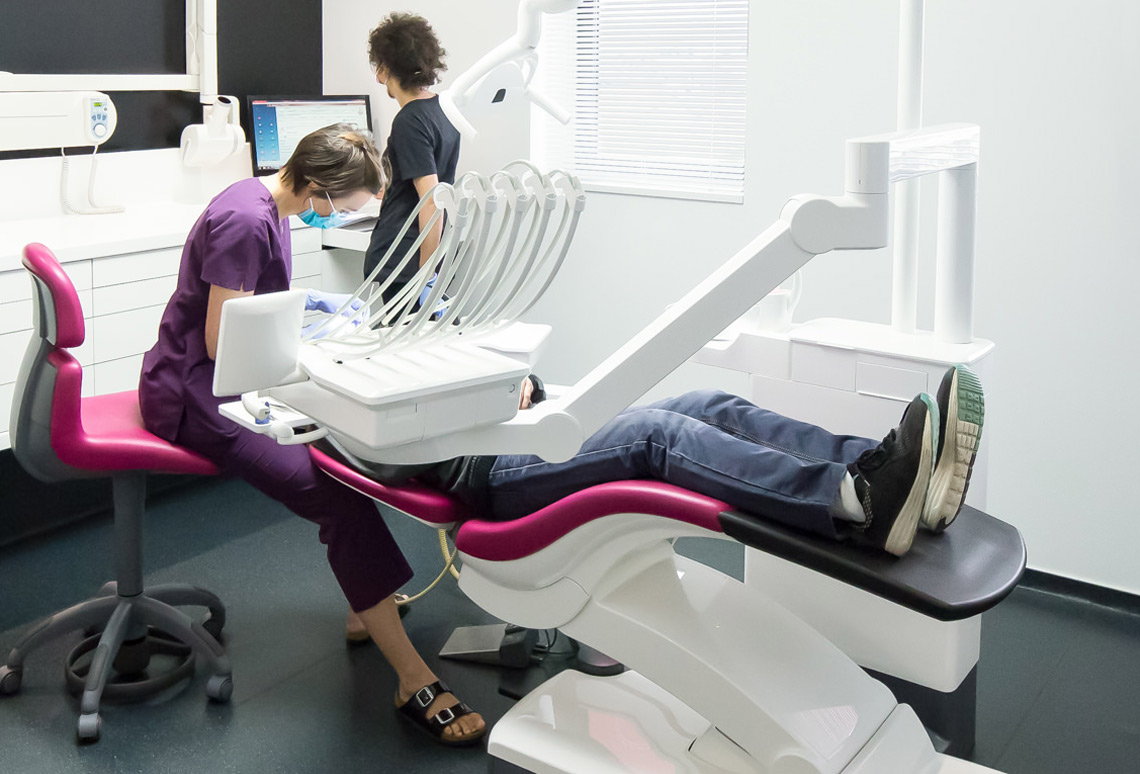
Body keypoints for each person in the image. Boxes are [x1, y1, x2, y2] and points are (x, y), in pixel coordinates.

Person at [138, 124, 486, 747]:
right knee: (335, 493)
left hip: (233, 376)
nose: (345, 214)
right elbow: (221, 343)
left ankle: (362, 606)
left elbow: (254, 306)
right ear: (322, 186)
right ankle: (411, 678)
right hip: (196, 391)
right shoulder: (246, 220)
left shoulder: (267, 203)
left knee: (350, 460)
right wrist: (311, 343)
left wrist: (314, 312)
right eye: (347, 204)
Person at [337, 364, 985, 560]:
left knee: (707, 401)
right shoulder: (336, 399)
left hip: (529, 428)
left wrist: (516, 384)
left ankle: (882, 469)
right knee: (658, 435)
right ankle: (856, 503)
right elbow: (383, 461)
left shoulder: (403, 339)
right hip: (491, 473)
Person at [364, 13, 461, 303]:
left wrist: (425, 277)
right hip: (428, 251)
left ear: (384, 69)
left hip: (406, 262)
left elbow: (432, 201)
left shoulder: (410, 120)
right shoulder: (443, 109)